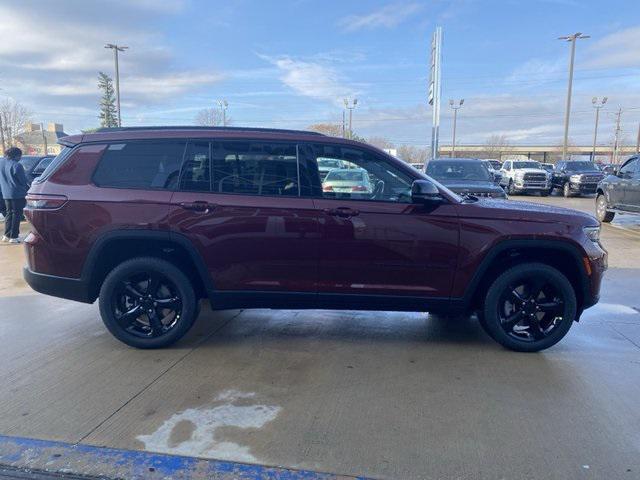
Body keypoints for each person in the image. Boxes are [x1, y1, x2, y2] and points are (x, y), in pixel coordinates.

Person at [0, 147, 29, 243]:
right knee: (17, 215)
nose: (20, 158)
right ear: (16, 155)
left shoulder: (1, 163)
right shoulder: (17, 165)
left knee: (9, 214)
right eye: (20, 156)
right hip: (18, 193)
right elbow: (23, 181)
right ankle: (14, 236)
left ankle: (6, 235)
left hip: (5, 193)